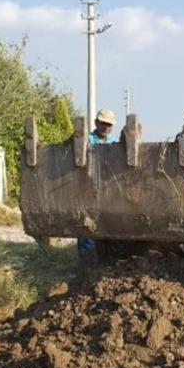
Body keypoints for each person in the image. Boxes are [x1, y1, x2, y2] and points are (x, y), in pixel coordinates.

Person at [78, 108, 116, 263]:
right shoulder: (87, 140)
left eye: (109, 124)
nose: (106, 127)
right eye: (103, 123)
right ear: (96, 123)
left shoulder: (113, 143)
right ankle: (86, 260)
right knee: (87, 223)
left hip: (108, 190)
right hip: (89, 188)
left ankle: (105, 258)